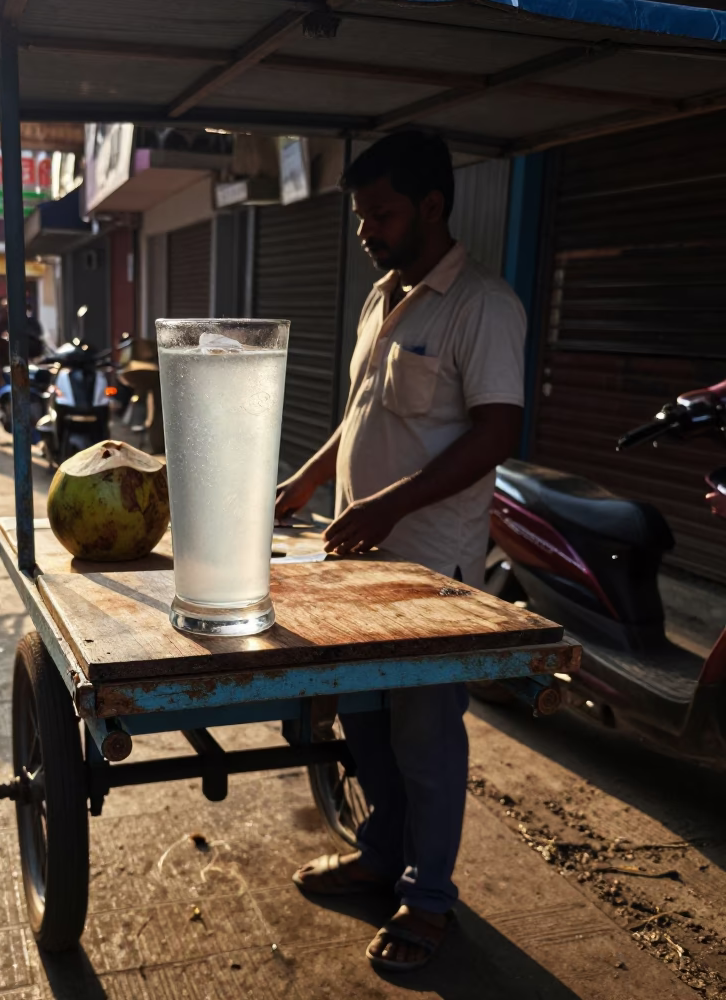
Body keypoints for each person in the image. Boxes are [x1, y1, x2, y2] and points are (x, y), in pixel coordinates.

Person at [276, 131, 525, 972]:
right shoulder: (382, 297)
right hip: (356, 560)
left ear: (431, 206)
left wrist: (390, 503)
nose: (366, 232)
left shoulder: (483, 305)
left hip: (429, 572)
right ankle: (381, 854)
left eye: (380, 214)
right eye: (359, 217)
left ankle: (427, 901)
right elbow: (362, 414)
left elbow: (497, 428)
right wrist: (311, 480)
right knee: (366, 723)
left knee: (425, 738)